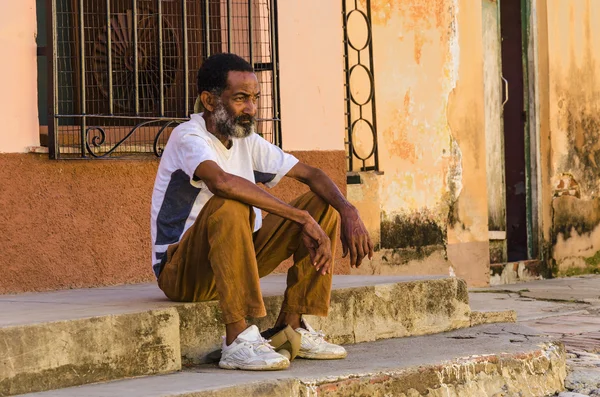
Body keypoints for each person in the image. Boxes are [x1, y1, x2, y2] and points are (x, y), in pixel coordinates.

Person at [151, 53, 373, 371]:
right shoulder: (189, 136)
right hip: (183, 273)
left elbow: (312, 175)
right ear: (209, 101)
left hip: (237, 259)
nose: (252, 109)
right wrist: (300, 219)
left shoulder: (246, 140)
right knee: (228, 204)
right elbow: (221, 182)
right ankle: (237, 340)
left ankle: (293, 326)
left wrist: (349, 211)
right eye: (241, 99)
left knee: (323, 207)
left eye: (255, 98)